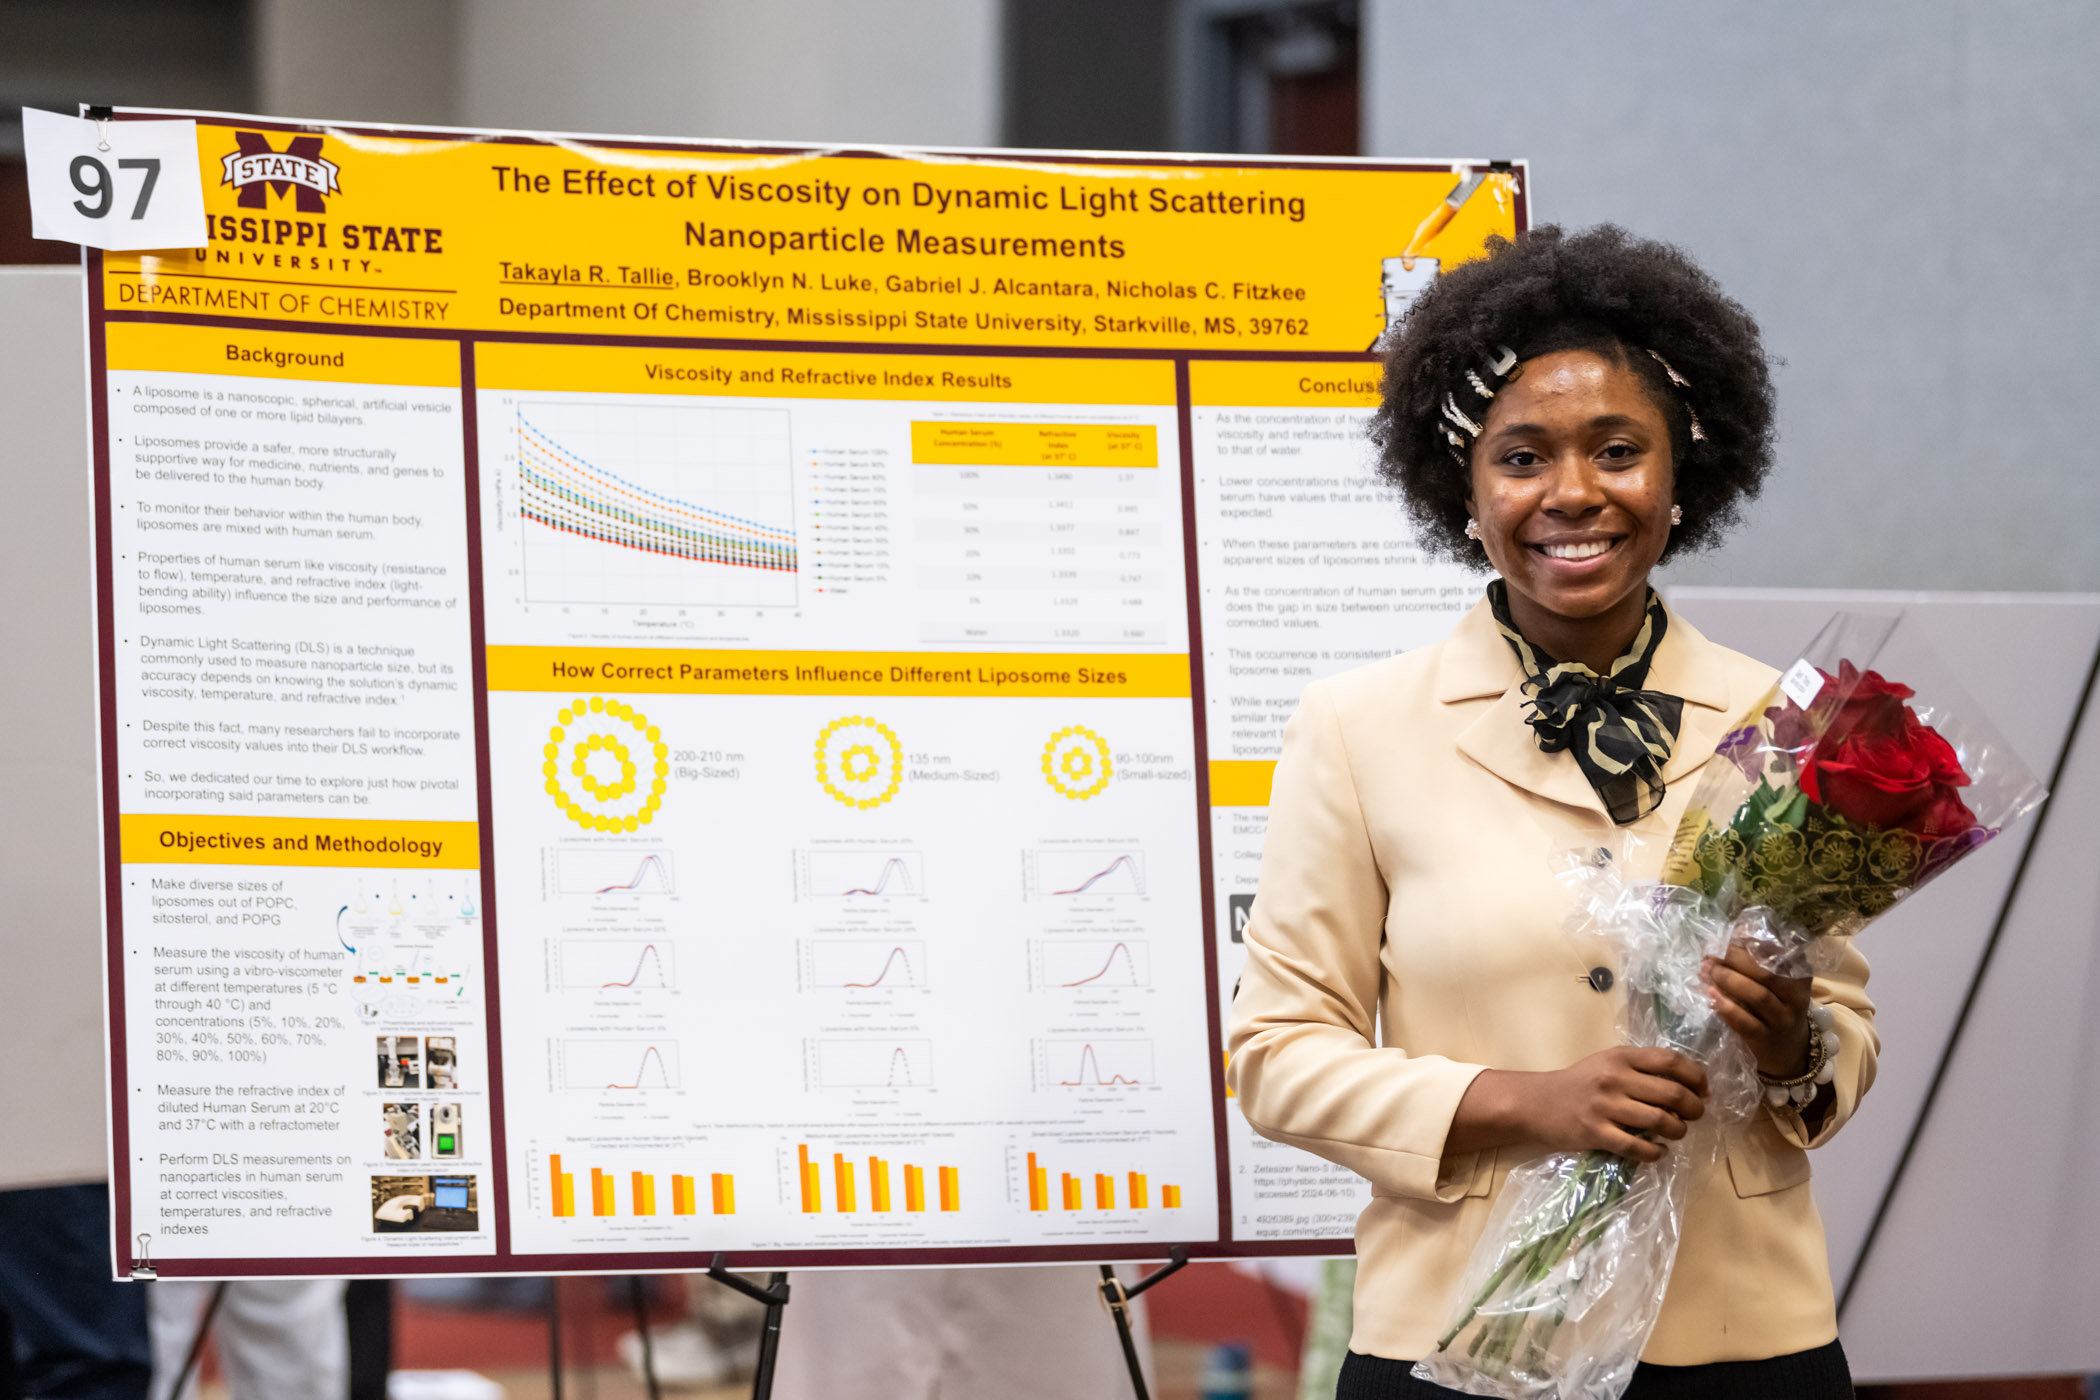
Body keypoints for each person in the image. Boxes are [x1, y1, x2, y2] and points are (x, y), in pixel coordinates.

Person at [1227, 225, 1875, 1399]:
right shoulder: (1358, 726)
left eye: (1617, 449)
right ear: (1463, 491)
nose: (1573, 492)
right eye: (1521, 457)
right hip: (1465, 1332)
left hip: (1744, 1339)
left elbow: (1843, 1039)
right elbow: (1275, 1056)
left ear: (1680, 475)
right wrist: (1523, 1101)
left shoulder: (1779, 717)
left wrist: (1791, 1041)